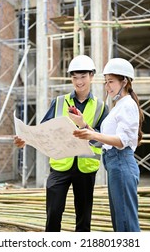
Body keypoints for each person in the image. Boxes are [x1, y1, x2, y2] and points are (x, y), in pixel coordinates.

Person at [14, 54, 108, 232]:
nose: (79, 81)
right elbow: (43, 131)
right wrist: (25, 139)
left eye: (83, 76)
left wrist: (86, 130)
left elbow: (103, 140)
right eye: (74, 77)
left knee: (83, 217)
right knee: (54, 213)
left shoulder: (101, 107)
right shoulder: (58, 102)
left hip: (86, 168)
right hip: (60, 166)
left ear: (92, 76)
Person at [73, 58, 144, 232]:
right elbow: (104, 140)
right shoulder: (119, 105)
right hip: (115, 165)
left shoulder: (127, 105)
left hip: (121, 163)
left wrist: (92, 133)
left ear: (124, 81)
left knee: (125, 224)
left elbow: (120, 141)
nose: (107, 87)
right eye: (106, 82)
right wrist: (84, 125)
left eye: (111, 82)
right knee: (120, 221)